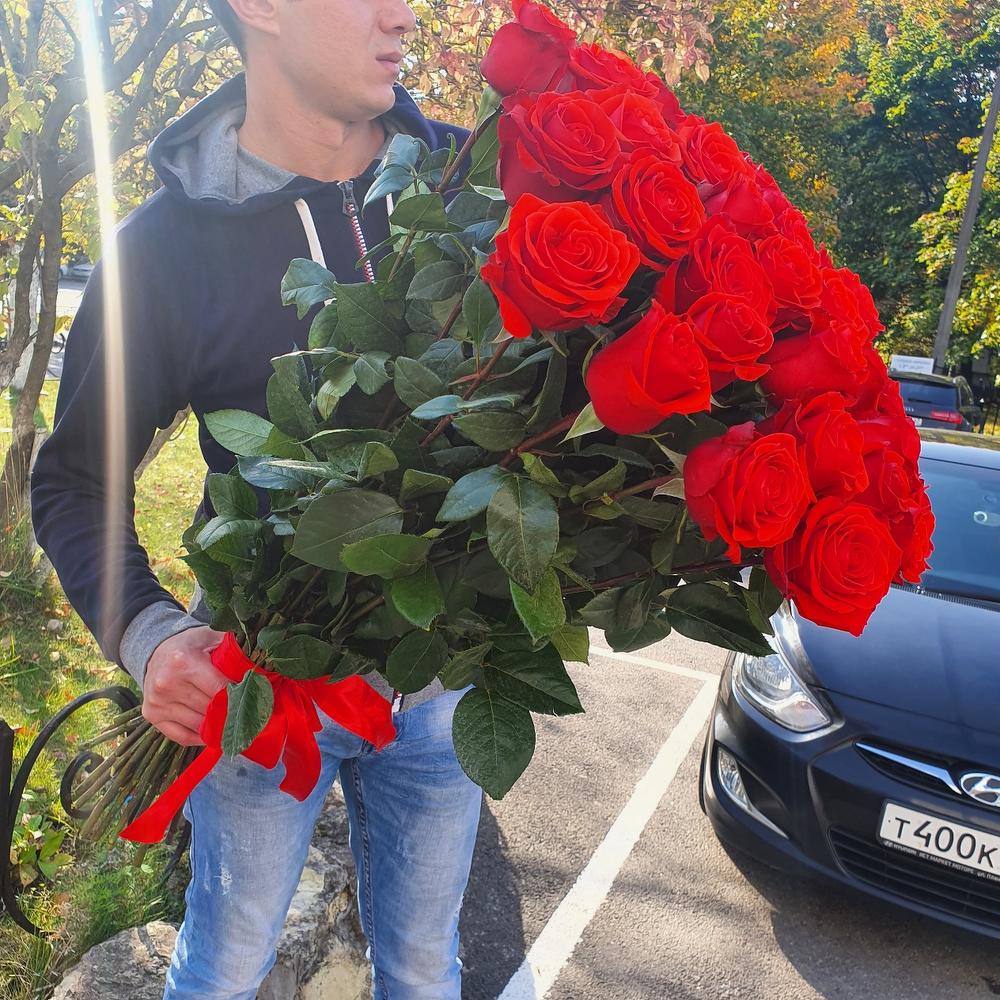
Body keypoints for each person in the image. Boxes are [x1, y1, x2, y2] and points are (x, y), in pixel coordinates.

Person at [29, 0, 483, 996]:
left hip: (443, 681)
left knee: (425, 966)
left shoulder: (471, 185)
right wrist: (151, 636)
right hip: (259, 689)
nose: (403, 15)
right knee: (224, 966)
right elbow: (74, 478)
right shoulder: (162, 251)